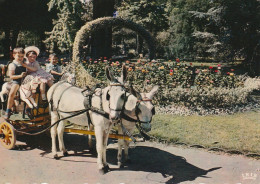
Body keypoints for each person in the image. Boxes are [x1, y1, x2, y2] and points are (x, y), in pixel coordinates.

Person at [4, 47, 27, 119]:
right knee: (12, 93)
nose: (20, 58)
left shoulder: (24, 63)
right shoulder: (12, 64)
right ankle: (8, 110)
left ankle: (28, 109)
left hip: (25, 81)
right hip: (16, 81)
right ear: (14, 55)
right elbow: (11, 76)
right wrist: (20, 76)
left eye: (22, 56)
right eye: (18, 56)